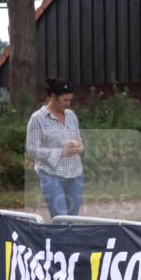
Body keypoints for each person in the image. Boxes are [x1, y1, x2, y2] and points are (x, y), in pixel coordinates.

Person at [26, 78, 84, 217]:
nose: (69, 104)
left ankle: (69, 240)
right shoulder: (37, 118)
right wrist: (61, 152)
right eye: (65, 100)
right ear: (53, 97)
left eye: (70, 100)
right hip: (51, 175)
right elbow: (32, 151)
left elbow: (79, 141)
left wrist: (80, 147)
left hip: (75, 174)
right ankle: (56, 239)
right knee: (61, 220)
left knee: (73, 220)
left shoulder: (71, 116)